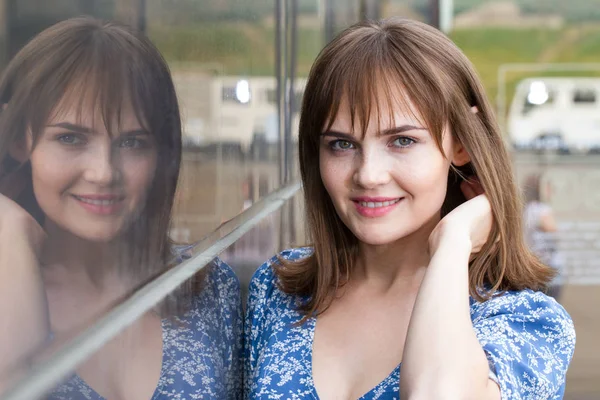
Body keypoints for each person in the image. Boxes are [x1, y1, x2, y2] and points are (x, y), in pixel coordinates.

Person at [244, 18, 575, 399]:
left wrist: (453, 242)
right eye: (341, 144)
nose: (368, 175)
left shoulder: (526, 321)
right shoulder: (276, 290)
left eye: (402, 140)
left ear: (461, 144)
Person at [0, 17, 242, 399]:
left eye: (132, 143)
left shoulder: (208, 289)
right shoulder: (8, 292)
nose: (103, 172)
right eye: (70, 138)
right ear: (19, 140)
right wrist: (9, 230)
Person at [523, 174, 564, 301]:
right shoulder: (541, 209)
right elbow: (552, 228)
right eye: (548, 187)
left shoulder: (528, 208)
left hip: (538, 263)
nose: (551, 191)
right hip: (548, 264)